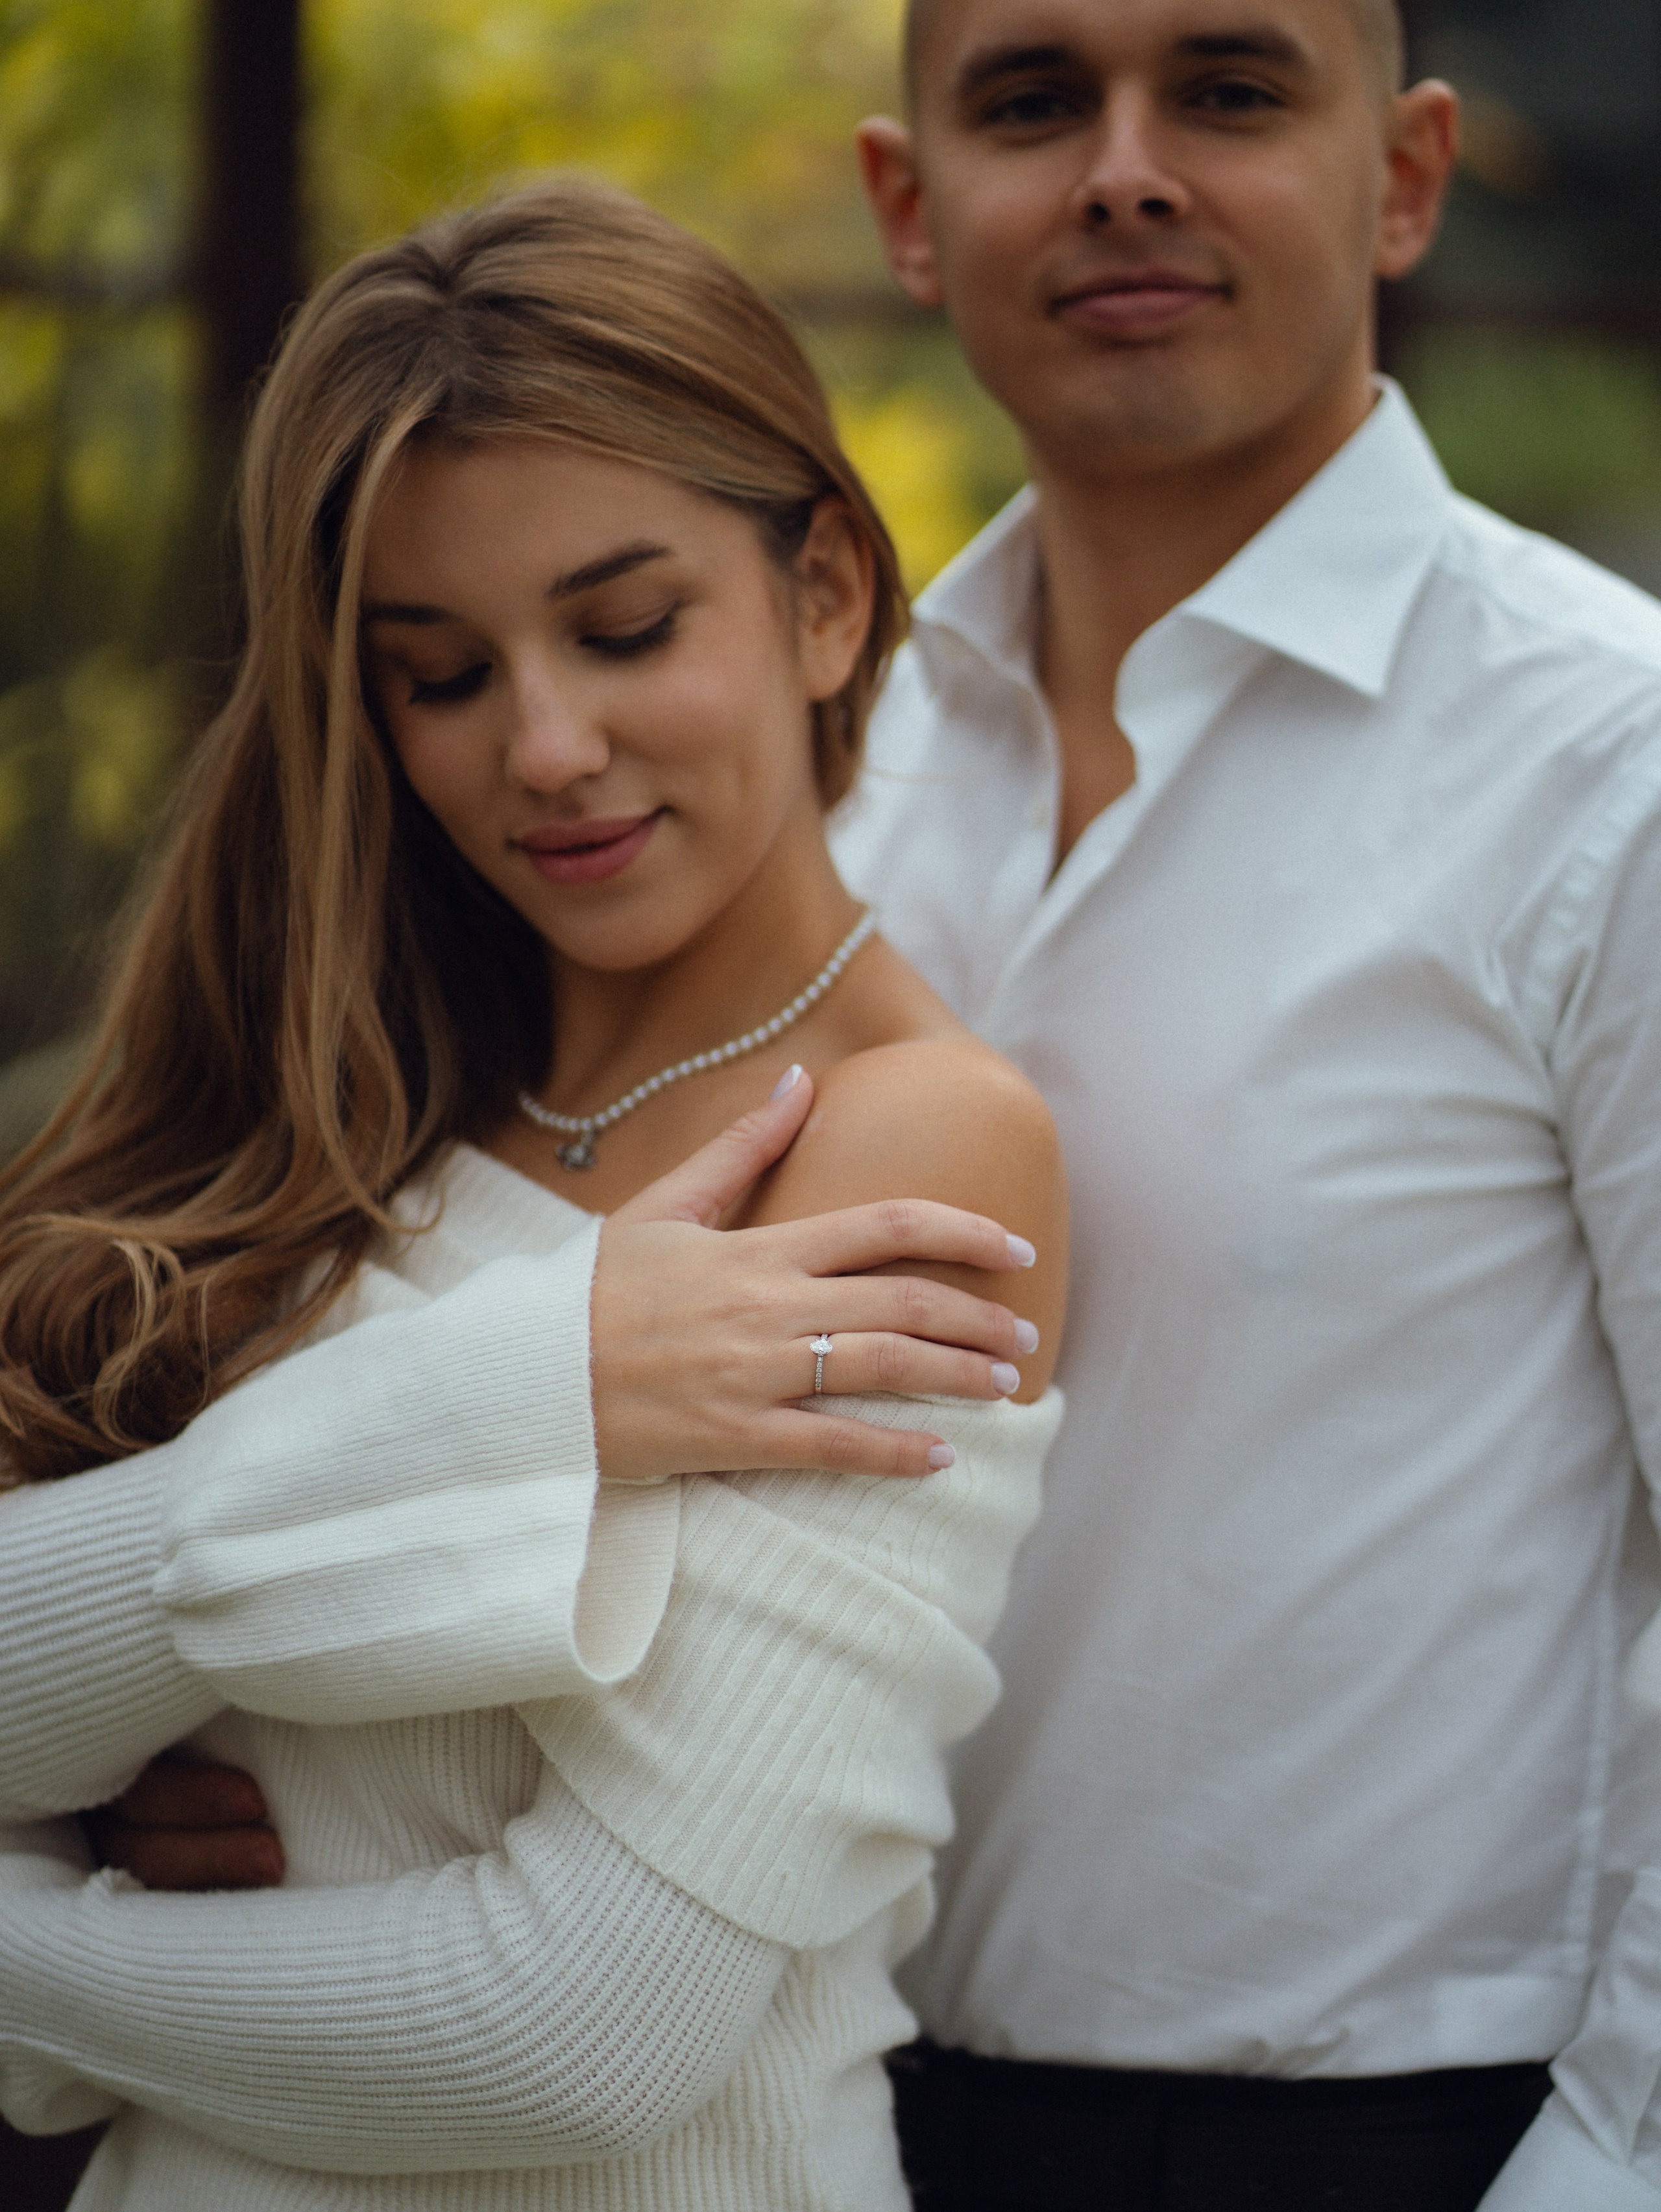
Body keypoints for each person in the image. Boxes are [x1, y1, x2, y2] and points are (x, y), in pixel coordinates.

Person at [67, 0, 1661, 2205]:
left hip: (1380, 2130)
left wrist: (1603, 2174)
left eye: (1224, 89)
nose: (1122, 170)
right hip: (839, 2076)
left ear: (1402, 176)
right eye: (1030, 101)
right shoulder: (761, 765)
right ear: (907, 202)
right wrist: (252, 1749)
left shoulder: (1613, 769)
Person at [0, 176, 1068, 2211]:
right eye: (440, 670)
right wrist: (529, 1382)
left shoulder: (914, 1140)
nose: (547, 746)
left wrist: (38, 1954)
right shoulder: (331, 1091)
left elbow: (565, 2031)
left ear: (826, 592)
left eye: (625, 624)